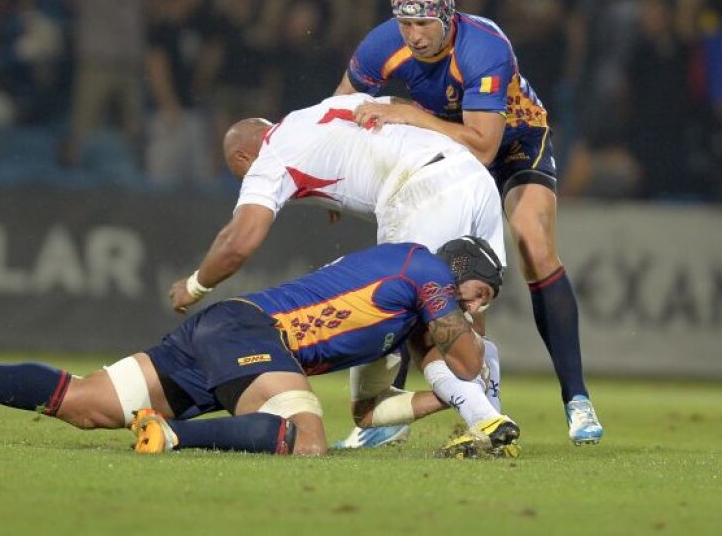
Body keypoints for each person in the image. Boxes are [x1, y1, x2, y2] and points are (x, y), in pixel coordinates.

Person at [0, 238, 503, 458]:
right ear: (460, 269)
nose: (476, 307)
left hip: (226, 333)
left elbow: (367, 416)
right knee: (304, 437)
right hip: (251, 335)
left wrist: (444, 403)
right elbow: (470, 360)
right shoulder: (425, 268)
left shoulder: (401, 321)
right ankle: (171, 437)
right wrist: (473, 377)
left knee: (86, 403)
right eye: (480, 292)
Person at [334, 0, 604, 445]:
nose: (413, 36)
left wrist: (407, 114)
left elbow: (483, 146)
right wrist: (333, 181)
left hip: (514, 141)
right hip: (446, 149)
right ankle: (412, 408)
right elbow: (338, 109)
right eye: (405, 23)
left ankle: (577, 400)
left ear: (447, 17)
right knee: (419, 262)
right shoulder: (382, 43)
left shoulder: (483, 49)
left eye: (423, 24)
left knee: (533, 244)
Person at [167, 92, 516, 456]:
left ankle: (484, 420)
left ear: (242, 157)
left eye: (243, 174)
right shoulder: (314, 113)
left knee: (422, 323)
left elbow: (240, 239)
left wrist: (195, 285)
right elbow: (394, 103)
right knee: (466, 314)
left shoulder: (270, 158)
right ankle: (491, 421)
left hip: (422, 188)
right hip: (471, 174)